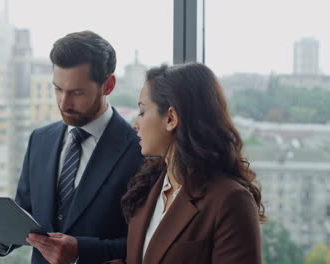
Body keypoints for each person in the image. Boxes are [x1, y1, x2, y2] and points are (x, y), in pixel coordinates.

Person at [0, 30, 143, 264]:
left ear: (108, 85)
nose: (63, 103)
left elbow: (145, 243)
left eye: (77, 92)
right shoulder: (39, 140)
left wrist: (81, 250)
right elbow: (26, 213)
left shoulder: (140, 150)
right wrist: (2, 233)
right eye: (58, 89)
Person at [108, 62, 266, 264]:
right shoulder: (148, 186)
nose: (135, 124)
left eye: (142, 112)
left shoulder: (230, 200)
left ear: (171, 119)